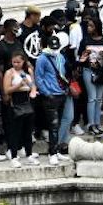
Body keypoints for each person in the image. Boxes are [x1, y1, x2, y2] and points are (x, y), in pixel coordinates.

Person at [35, 35, 74, 164]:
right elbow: (39, 78)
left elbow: (64, 72)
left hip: (61, 94)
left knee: (59, 124)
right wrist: (46, 93)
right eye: (53, 47)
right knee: (53, 125)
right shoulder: (42, 59)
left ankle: (56, 150)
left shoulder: (60, 57)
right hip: (50, 96)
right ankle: (52, 153)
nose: (55, 50)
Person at [78, 17, 103, 136]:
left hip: (101, 71)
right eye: (88, 26)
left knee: (99, 99)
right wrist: (84, 56)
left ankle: (97, 124)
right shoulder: (85, 40)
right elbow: (80, 56)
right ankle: (91, 124)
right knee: (92, 98)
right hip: (89, 69)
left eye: (91, 26)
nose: (89, 28)